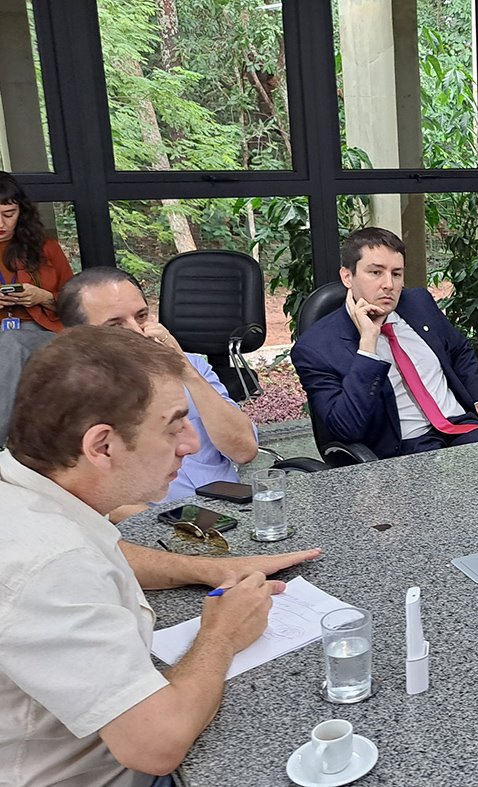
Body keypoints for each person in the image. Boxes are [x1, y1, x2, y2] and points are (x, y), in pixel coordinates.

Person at [0, 325, 320, 787]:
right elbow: (154, 745)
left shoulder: (28, 492)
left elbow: (109, 554)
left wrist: (211, 569)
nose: (191, 444)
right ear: (102, 446)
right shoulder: (52, 565)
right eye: (173, 426)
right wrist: (222, 634)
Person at [291, 227, 478, 458]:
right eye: (376, 272)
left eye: (396, 274)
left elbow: (459, 349)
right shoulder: (315, 347)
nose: (389, 284)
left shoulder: (418, 303)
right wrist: (368, 346)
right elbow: (346, 428)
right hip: (403, 446)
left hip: (458, 426)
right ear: (347, 277)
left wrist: (476, 398)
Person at [57, 268, 258, 518]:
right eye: (116, 325)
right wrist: (167, 526)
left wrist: (183, 368)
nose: (137, 331)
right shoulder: (69, 395)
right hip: (157, 523)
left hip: (233, 508)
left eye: (141, 316)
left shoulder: (192, 366)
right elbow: (80, 493)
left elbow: (244, 450)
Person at [0, 171, 74, 332]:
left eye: (9, 214)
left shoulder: (46, 247)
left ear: (21, 213)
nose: (1, 223)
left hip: (43, 331)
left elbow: (76, 304)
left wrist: (44, 297)